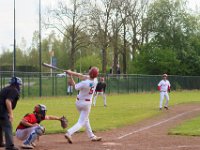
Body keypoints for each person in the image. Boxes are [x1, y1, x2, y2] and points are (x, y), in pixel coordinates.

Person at [64, 67, 102, 144]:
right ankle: (69, 133)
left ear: (90, 73)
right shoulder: (95, 80)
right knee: (81, 122)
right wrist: (71, 72)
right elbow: (81, 75)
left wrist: (70, 76)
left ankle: (92, 136)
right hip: (86, 104)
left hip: (78, 103)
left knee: (85, 119)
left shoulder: (85, 83)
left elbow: (75, 86)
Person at [0, 77, 22, 150]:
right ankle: (9, 146)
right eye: (19, 85)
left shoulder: (5, 88)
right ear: (17, 84)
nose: (20, 86)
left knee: (0, 126)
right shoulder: (14, 90)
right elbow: (8, 101)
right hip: (2, 110)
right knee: (7, 127)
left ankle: (0, 142)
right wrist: (11, 114)